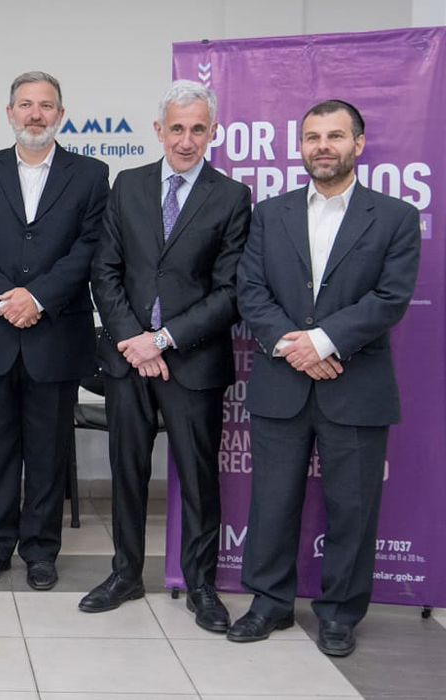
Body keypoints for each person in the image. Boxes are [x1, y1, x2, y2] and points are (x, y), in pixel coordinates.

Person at [230, 100, 420, 657]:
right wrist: (296, 346)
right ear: (301, 147)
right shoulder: (270, 213)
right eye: (312, 136)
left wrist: (321, 341)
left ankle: (339, 615)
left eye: (335, 136)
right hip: (282, 383)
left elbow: (390, 298)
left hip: (357, 386)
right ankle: (268, 605)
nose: (323, 146)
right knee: (270, 503)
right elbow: (251, 290)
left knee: (353, 509)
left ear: (359, 144)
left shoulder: (394, 217)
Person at [86, 80, 250, 630]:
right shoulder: (127, 185)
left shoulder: (231, 197)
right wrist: (136, 339)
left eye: (197, 128)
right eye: (176, 128)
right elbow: (105, 271)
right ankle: (125, 574)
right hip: (127, 358)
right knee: (126, 470)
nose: (186, 139)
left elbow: (230, 292)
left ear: (213, 133)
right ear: (159, 131)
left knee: (200, 477)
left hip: (192, 362)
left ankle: (202, 586)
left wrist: (163, 340)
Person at [0, 71, 109, 590]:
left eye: (46, 106)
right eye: (26, 105)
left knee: (48, 449)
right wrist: (7, 299)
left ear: (61, 115)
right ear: (10, 113)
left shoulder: (90, 174)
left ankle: (41, 550)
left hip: (56, 335)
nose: (35, 114)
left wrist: (38, 298)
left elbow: (91, 248)